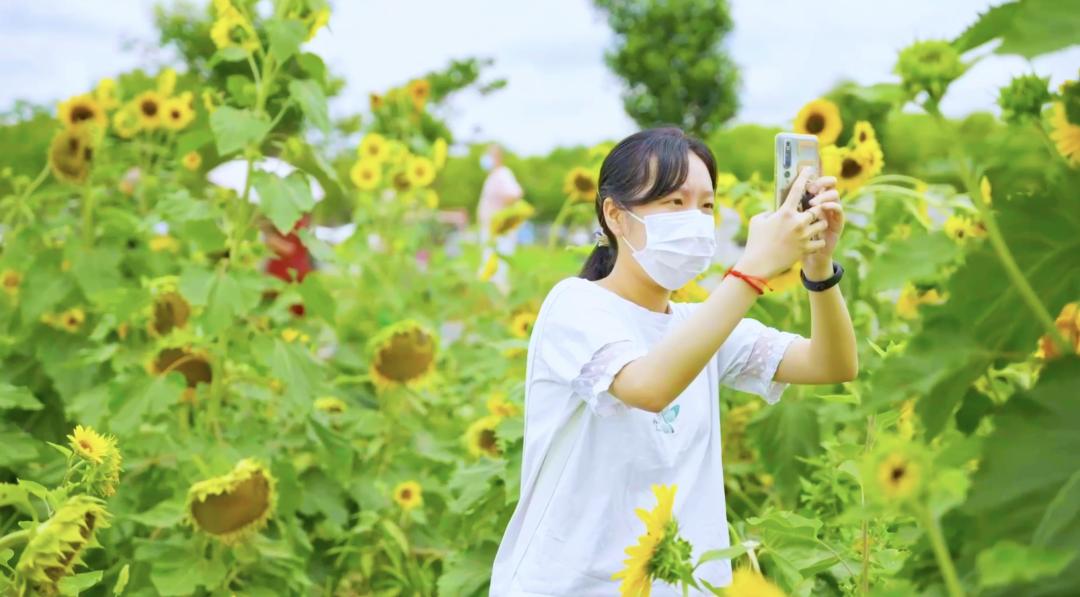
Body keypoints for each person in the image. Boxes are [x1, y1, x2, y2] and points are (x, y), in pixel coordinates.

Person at [489, 127, 857, 596]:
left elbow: (832, 364)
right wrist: (752, 270)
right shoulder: (575, 306)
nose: (695, 219)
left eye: (706, 206)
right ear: (615, 216)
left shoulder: (699, 323)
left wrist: (818, 265)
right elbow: (648, 387)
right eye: (674, 203)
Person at [476, 143, 524, 295]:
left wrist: (503, 214)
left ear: (496, 157)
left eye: (488, 155)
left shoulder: (503, 174)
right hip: (492, 229)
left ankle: (500, 297)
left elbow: (515, 194)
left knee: (498, 267)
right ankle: (492, 297)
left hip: (500, 230)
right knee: (489, 264)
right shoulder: (494, 175)